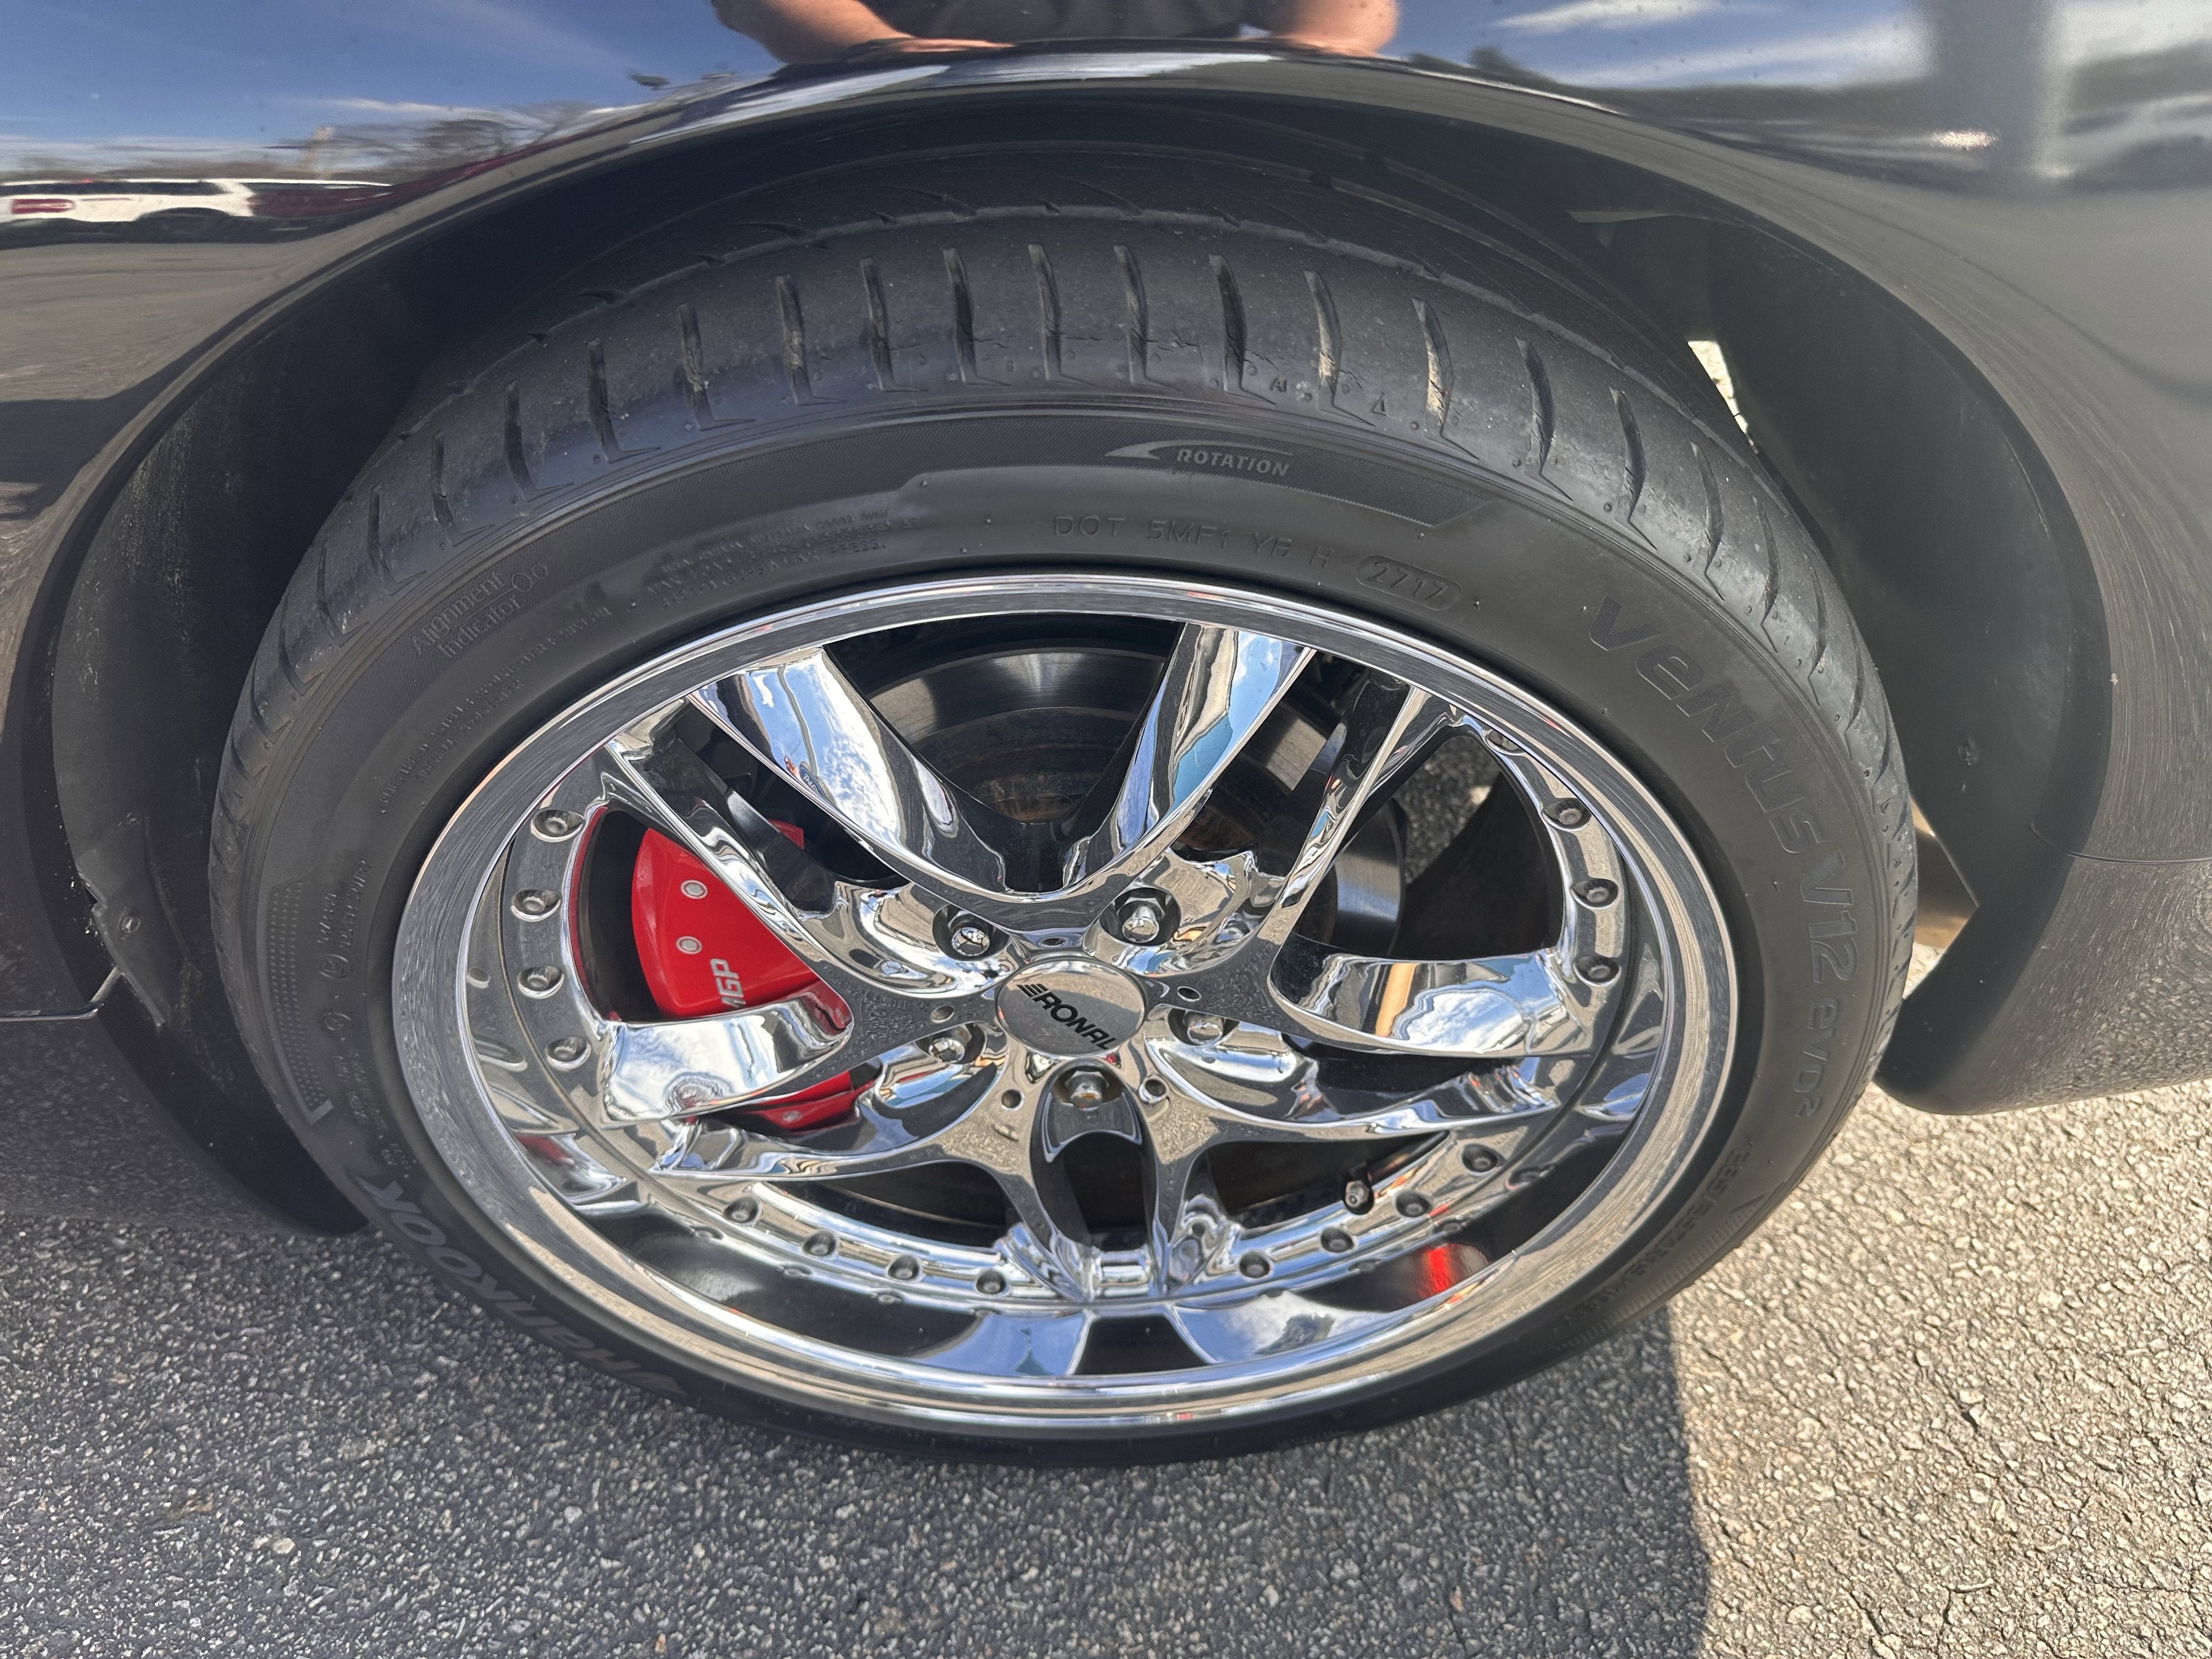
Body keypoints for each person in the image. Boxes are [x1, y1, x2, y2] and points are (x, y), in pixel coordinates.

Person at [713, 0, 1397, 63]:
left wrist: (1319, 46)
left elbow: (1346, 9)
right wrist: (872, 50)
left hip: (1207, 119)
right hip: (907, 114)